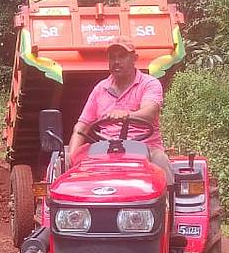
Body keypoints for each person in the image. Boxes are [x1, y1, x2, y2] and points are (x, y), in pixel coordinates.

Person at [67, 39, 174, 182]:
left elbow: (150, 112)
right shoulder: (100, 89)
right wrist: (71, 157)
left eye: (122, 56)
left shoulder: (149, 83)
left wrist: (127, 115)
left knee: (160, 161)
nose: (116, 61)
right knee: (69, 164)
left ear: (134, 58)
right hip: (106, 149)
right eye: (112, 57)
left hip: (146, 148)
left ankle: (168, 195)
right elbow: (82, 126)